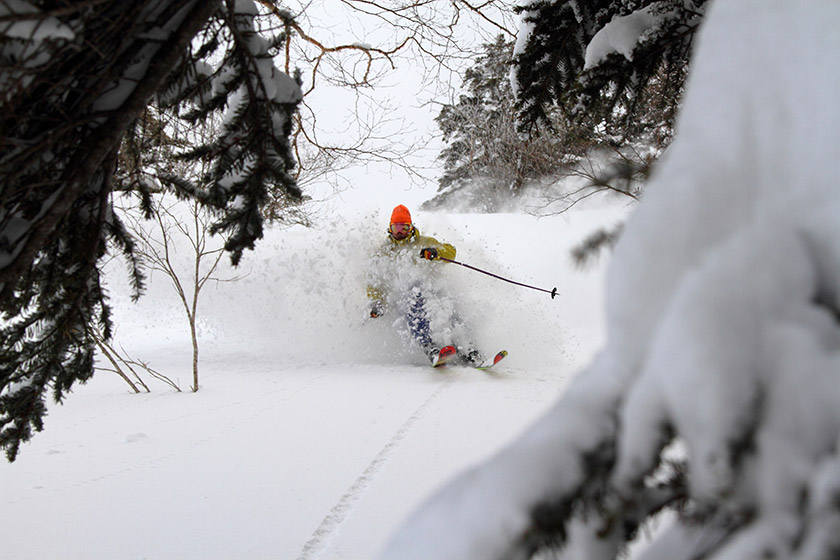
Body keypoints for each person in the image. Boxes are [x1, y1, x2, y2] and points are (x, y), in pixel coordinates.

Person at [367, 204, 483, 366]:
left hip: (432, 288)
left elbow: (450, 251)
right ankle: (430, 348)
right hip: (405, 298)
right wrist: (377, 302)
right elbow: (375, 280)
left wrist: (436, 252)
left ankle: (469, 348)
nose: (399, 232)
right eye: (396, 228)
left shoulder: (424, 242)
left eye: (404, 227)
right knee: (412, 305)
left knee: (450, 305)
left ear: (411, 227)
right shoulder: (384, 252)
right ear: (390, 228)